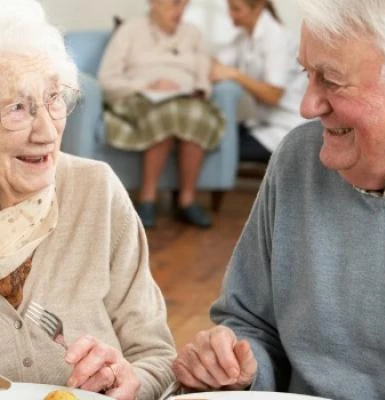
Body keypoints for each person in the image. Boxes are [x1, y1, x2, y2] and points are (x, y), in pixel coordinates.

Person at [172, 0, 385, 398]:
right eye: (306, 73)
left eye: (330, 80)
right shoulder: (299, 157)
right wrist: (236, 366)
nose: (306, 106)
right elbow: (250, 323)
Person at [0, 2, 176, 400]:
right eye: (17, 108)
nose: (46, 132)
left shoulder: (95, 190)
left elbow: (157, 356)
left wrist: (132, 383)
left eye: (53, 99)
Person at [98, 0, 225, 229]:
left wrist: (198, 89)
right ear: (154, 3)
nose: (181, 11)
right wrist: (148, 84)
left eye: (185, 4)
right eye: (175, 3)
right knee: (168, 113)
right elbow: (107, 79)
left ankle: (187, 201)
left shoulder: (193, 34)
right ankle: (147, 199)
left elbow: (203, 75)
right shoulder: (130, 31)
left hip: (185, 100)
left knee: (195, 114)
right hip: (141, 98)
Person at [212, 0, 307, 163]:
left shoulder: (276, 37)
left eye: (236, 9)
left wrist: (236, 75)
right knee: (213, 135)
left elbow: (273, 95)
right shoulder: (244, 37)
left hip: (285, 127)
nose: (230, 14)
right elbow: (217, 64)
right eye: (229, 8)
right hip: (262, 124)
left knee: (220, 147)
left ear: (257, 8)